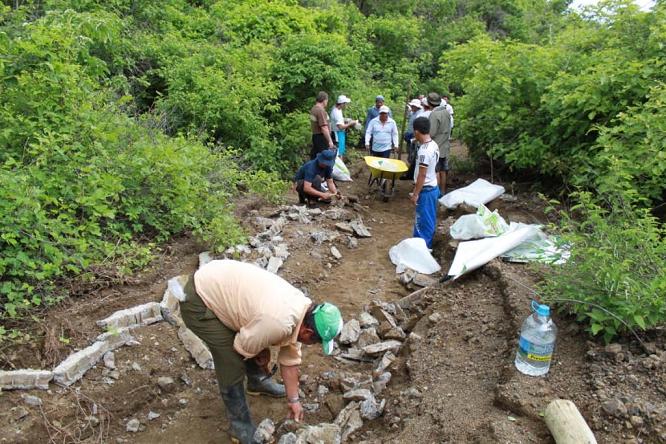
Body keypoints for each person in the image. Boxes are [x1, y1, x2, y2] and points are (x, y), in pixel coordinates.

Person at [181, 260, 344, 444]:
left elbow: (290, 359)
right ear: (308, 332)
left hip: (222, 282)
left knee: (256, 338)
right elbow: (242, 346)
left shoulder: (303, 311)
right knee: (232, 361)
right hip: (199, 299)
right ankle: (240, 426)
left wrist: (294, 400)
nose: (313, 345)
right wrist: (261, 351)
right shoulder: (278, 322)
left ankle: (256, 382)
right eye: (316, 342)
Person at [410, 116, 440, 248]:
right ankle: (425, 247)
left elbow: (422, 174)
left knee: (422, 222)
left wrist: (416, 193)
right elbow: (437, 169)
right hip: (433, 187)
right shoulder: (434, 145)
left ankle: (424, 249)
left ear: (416, 132)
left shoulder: (424, 151)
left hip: (426, 190)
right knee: (429, 219)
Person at [427, 92, 452, 195]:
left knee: (435, 171)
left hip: (436, 146)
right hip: (445, 146)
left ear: (429, 103)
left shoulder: (434, 114)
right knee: (443, 171)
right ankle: (442, 192)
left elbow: (431, 133)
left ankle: (436, 193)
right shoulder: (446, 112)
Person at [329, 95, 358, 159]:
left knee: (341, 151)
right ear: (342, 104)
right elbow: (341, 127)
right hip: (337, 133)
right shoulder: (336, 112)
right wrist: (350, 123)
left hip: (340, 133)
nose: (346, 105)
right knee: (338, 153)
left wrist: (346, 119)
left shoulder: (338, 109)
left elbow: (339, 119)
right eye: (345, 104)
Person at [309, 91, 336, 160]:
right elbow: (324, 127)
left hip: (315, 136)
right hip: (321, 138)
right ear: (324, 100)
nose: (327, 102)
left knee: (315, 157)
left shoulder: (313, 109)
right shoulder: (320, 110)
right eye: (327, 100)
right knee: (323, 159)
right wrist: (330, 141)